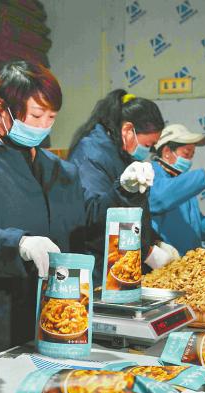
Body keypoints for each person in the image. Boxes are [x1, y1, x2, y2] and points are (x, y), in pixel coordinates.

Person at [0, 61, 114, 359]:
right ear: (3, 108)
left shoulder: (59, 171)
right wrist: (18, 243)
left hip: (62, 322)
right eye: (36, 115)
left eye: (51, 117)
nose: (43, 126)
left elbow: (88, 225)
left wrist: (126, 195)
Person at [68, 89, 178, 271]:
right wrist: (146, 252)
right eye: (147, 145)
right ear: (127, 130)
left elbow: (134, 211)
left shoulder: (122, 153)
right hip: (99, 265)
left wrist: (154, 241)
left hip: (122, 262)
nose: (148, 151)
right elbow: (93, 215)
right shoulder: (91, 154)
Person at [149, 123, 205, 255]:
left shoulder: (183, 183)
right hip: (162, 264)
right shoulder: (150, 174)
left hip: (187, 264)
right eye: (186, 153)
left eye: (192, 154)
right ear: (167, 152)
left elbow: (197, 229)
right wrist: (204, 177)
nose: (189, 159)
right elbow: (160, 197)